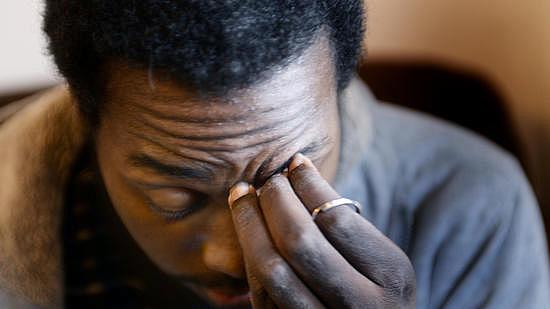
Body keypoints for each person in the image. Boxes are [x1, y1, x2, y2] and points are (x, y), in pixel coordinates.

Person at [0, 1, 548, 308]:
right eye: (174, 196)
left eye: (291, 175)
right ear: (87, 118)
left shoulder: (476, 206)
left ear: (337, 87)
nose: (240, 261)